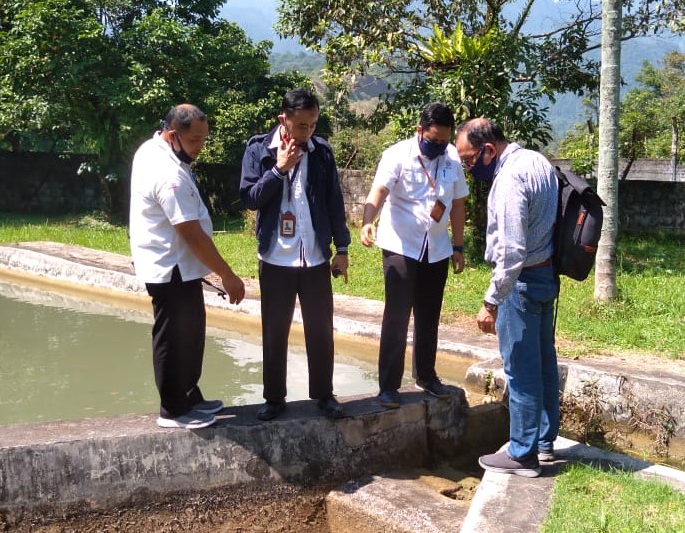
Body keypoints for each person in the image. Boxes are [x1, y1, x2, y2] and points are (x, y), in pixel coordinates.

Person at [129, 104, 246, 430]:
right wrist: (227, 275)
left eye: (203, 140)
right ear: (172, 134)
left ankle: (190, 395)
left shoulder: (154, 150)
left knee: (191, 333)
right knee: (173, 337)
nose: (200, 148)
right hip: (170, 267)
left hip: (180, 266)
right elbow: (191, 233)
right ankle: (173, 409)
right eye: (194, 140)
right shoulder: (168, 174)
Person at [455, 117, 560, 478]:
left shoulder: (509, 178)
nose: (469, 169)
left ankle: (522, 455)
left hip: (521, 284)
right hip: (545, 275)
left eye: (469, 161)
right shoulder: (537, 161)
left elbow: (512, 250)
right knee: (544, 365)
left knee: (520, 371)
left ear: (488, 150)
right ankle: (544, 444)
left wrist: (491, 301)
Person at [239, 88, 351, 421]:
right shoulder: (258, 150)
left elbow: (334, 203)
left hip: (315, 258)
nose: (308, 132)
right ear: (283, 119)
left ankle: (324, 395)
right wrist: (278, 170)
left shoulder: (322, 153)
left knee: (321, 330)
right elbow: (250, 198)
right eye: (301, 125)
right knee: (274, 331)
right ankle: (274, 398)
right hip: (276, 259)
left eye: (313, 124)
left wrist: (342, 248)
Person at [360, 102, 468, 409]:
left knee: (429, 315)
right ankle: (389, 387)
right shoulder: (397, 155)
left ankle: (426, 376)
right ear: (419, 130)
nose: (438, 147)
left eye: (443, 142)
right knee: (396, 316)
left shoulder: (451, 159)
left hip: (437, 249)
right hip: (401, 247)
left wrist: (458, 246)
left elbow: (458, 204)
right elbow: (378, 192)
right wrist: (368, 220)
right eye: (432, 141)